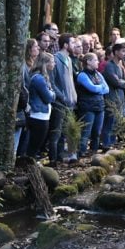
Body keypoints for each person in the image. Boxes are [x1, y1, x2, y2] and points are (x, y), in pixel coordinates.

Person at [46, 34, 77, 165]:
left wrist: (73, 96)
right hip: (60, 103)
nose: (75, 46)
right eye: (73, 43)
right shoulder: (56, 59)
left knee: (66, 133)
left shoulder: (69, 59)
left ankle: (61, 157)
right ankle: (53, 160)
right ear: (65, 45)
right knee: (56, 133)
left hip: (70, 103)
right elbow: (52, 83)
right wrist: (62, 97)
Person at [75, 52, 110, 156]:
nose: (98, 62)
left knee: (97, 132)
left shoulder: (98, 74)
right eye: (95, 60)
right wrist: (100, 88)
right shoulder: (82, 75)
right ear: (88, 62)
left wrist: (98, 88)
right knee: (86, 131)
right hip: (87, 107)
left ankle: (94, 151)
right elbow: (92, 88)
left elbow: (107, 89)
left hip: (99, 106)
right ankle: (81, 152)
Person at [26, 53, 56, 159]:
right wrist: (52, 93)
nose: (54, 64)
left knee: (36, 145)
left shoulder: (43, 77)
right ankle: (28, 167)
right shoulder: (38, 78)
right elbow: (48, 97)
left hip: (42, 116)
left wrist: (51, 92)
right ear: (45, 63)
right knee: (34, 146)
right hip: (38, 116)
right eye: (52, 62)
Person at [101, 42, 125, 150]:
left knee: (118, 122)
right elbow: (115, 82)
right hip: (111, 98)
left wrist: (121, 81)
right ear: (116, 52)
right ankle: (106, 144)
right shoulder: (109, 65)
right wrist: (121, 82)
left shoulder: (121, 66)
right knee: (110, 121)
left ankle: (113, 142)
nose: (124, 53)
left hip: (120, 98)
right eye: (122, 51)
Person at [15, 39, 38, 155]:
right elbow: (23, 87)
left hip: (29, 104)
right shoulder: (23, 66)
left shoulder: (33, 64)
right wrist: (25, 105)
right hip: (24, 105)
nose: (38, 49)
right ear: (29, 49)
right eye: (35, 46)